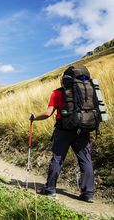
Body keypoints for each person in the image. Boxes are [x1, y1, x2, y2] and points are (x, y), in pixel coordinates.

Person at [30, 66, 94, 203]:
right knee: (86, 161)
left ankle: (50, 189)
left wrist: (34, 118)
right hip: (83, 130)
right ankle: (88, 193)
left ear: (64, 79)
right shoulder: (90, 91)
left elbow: (48, 113)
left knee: (58, 159)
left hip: (63, 131)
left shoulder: (58, 93)